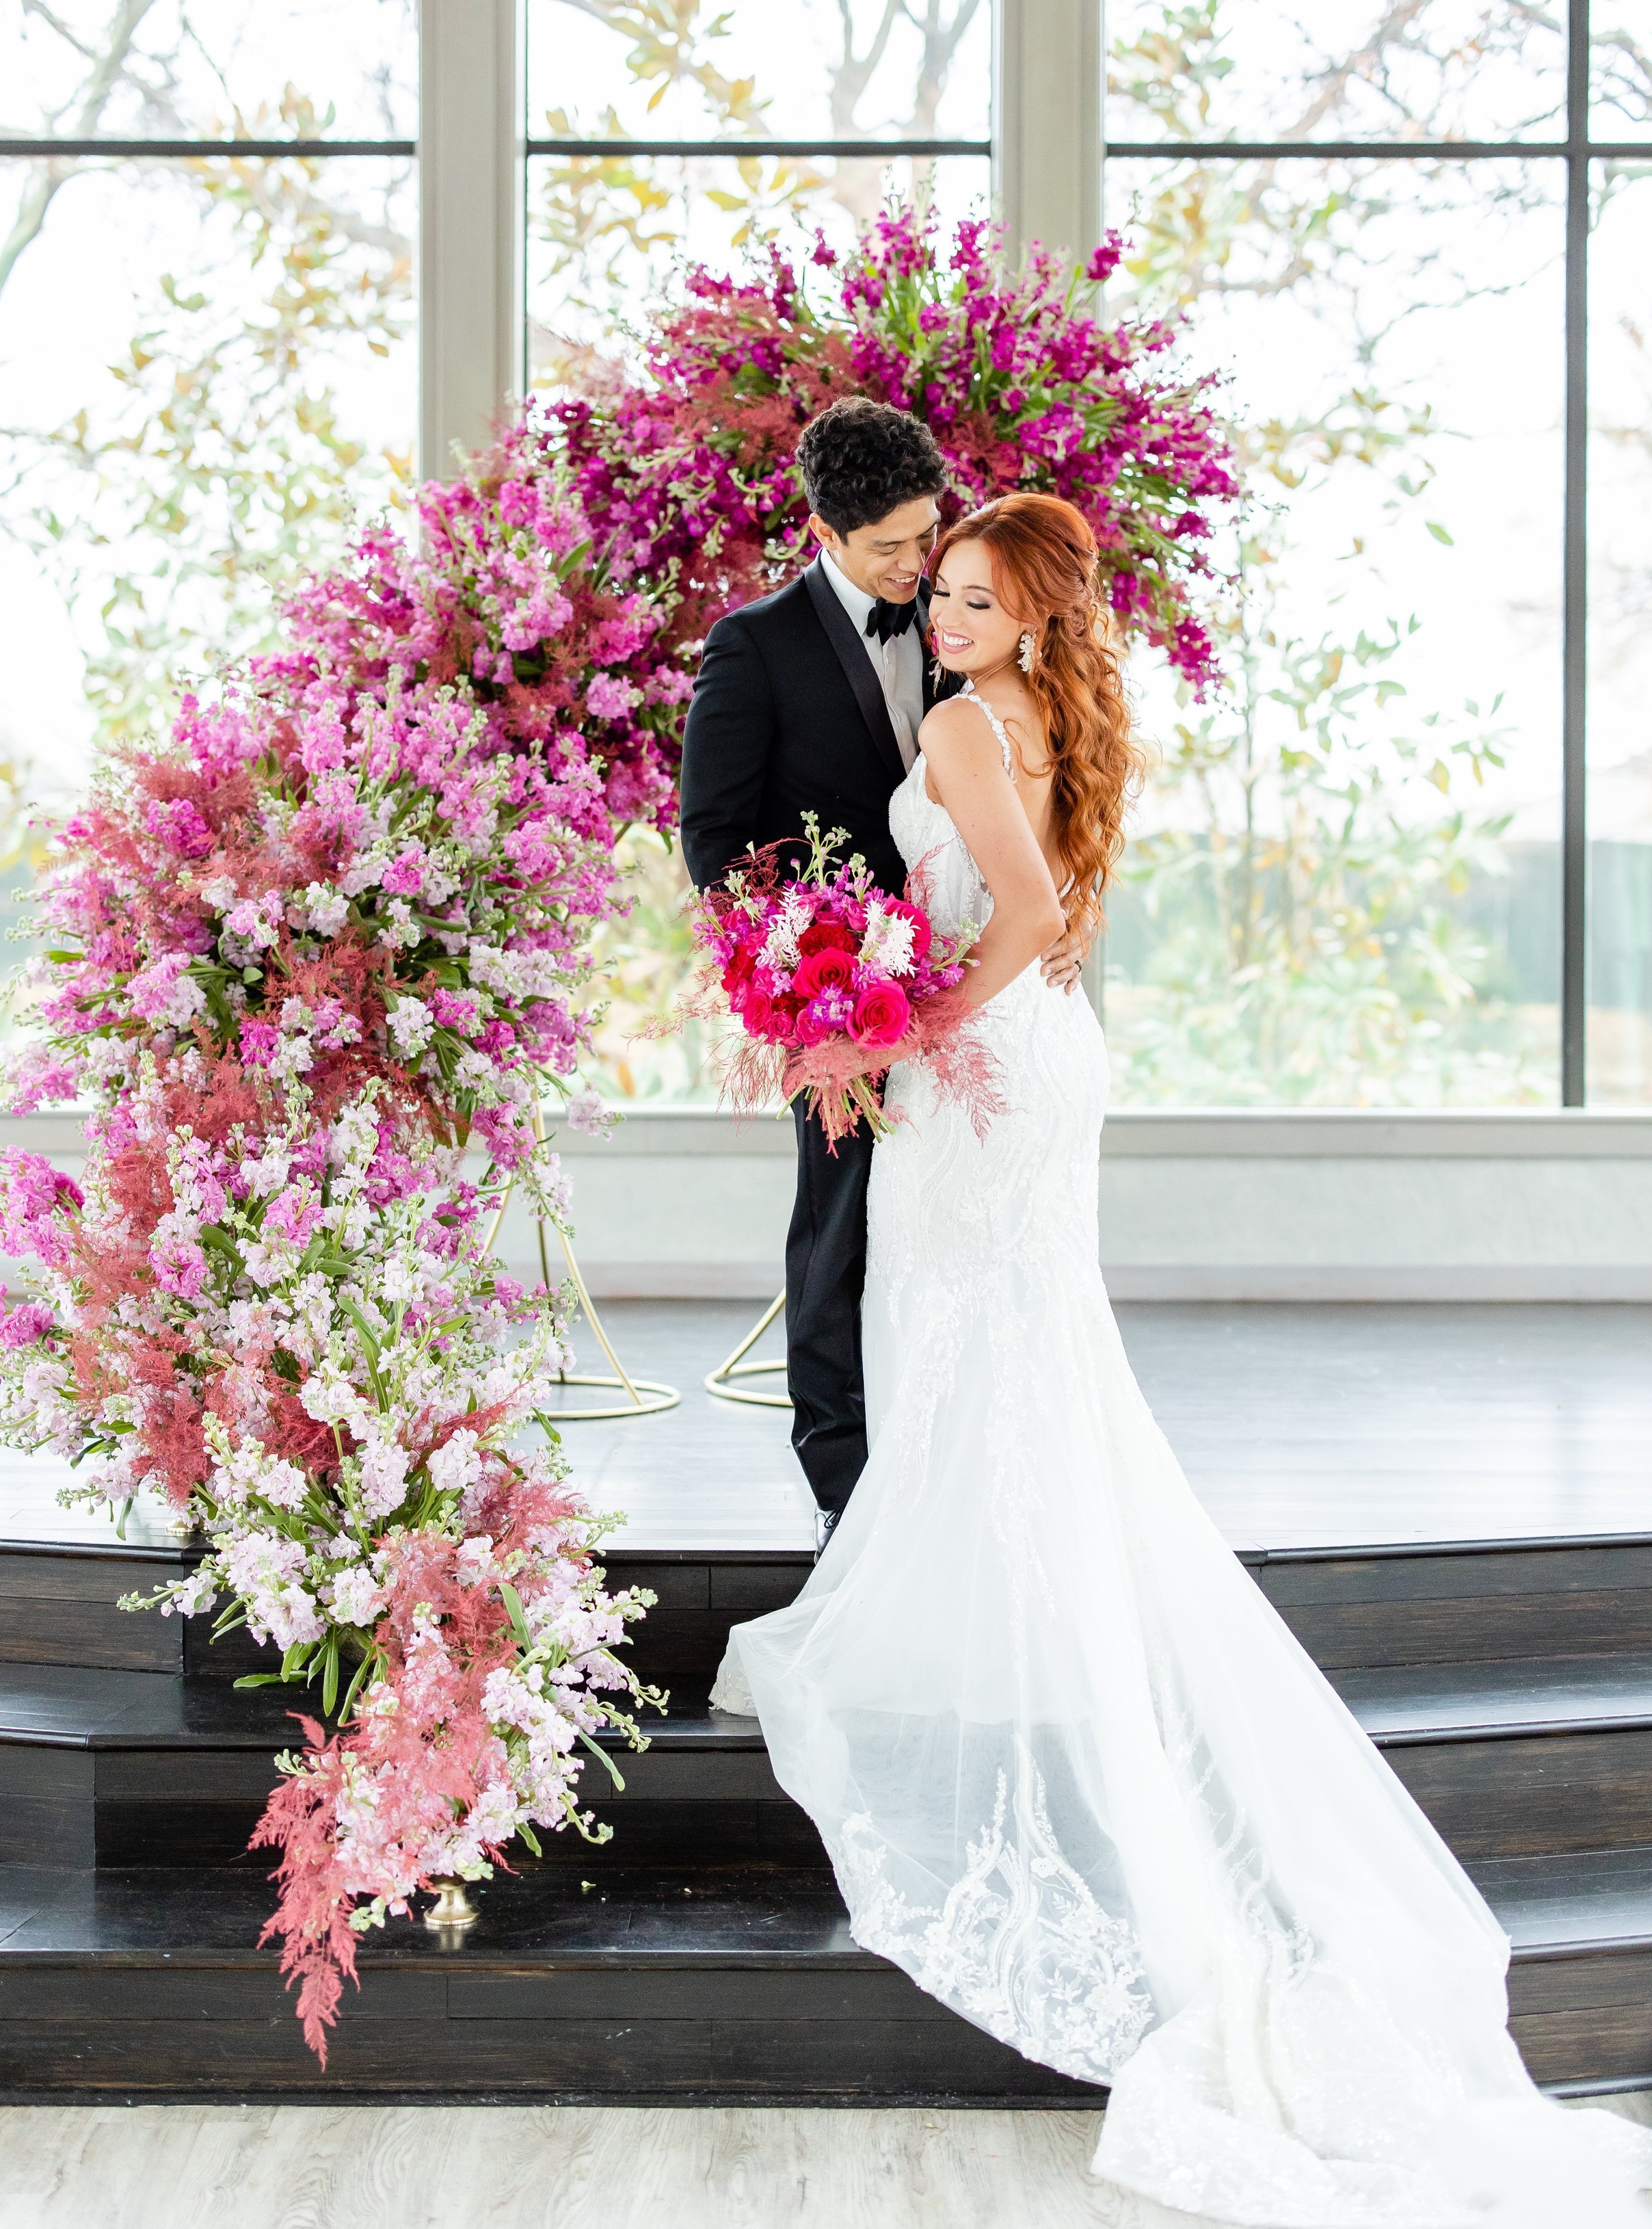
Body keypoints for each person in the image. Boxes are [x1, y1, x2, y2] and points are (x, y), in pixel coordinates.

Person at [711, 492, 1652, 2228]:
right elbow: (1056, 905)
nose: (958, 612)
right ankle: (997, 1598)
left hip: (979, 1074)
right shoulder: (1054, 715)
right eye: (954, 593)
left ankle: (964, 1620)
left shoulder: (956, 721)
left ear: (1030, 614)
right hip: (1037, 1057)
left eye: (984, 597)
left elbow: (1013, 906)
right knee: (1012, 1364)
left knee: (968, 1348)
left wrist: (896, 1027)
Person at [678, 398, 1082, 1549]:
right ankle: (841, 1481)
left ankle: (954, 1464)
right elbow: (712, 838)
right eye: (894, 548)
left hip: (965, 988)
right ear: (826, 531)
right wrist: (796, 977)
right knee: (839, 1226)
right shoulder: (754, 646)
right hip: (837, 998)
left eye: (928, 533)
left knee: (938, 1237)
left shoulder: (965, 634)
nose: (920, 564)